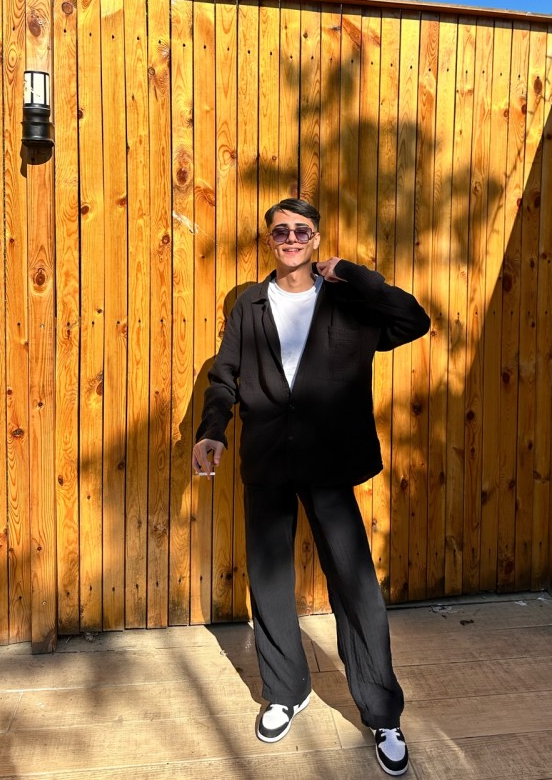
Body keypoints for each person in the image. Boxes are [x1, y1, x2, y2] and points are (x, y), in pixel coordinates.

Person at [191, 198, 430, 776]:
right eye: (281, 231)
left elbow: (412, 320)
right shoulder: (249, 305)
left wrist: (353, 273)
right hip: (268, 459)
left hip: (330, 461)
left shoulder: (347, 299)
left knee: (355, 584)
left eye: (302, 230)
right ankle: (285, 691)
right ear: (269, 241)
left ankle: (382, 713)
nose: (291, 238)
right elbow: (225, 376)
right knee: (270, 580)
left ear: (317, 238)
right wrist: (211, 431)